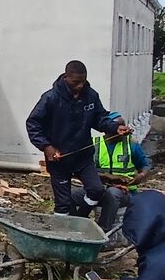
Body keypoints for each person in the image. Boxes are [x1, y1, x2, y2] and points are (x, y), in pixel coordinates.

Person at [26, 60, 130, 215]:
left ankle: (80, 219)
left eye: (83, 81)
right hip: (59, 159)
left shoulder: (91, 96)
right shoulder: (51, 98)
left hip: (83, 157)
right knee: (63, 204)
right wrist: (46, 147)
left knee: (96, 190)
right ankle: (62, 233)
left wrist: (115, 127)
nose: (80, 85)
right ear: (66, 77)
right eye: (76, 82)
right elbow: (33, 123)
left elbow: (99, 119)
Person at [70, 111, 151, 232]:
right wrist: (106, 177)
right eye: (119, 127)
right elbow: (81, 170)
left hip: (124, 193)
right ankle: (75, 226)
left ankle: (103, 231)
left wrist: (141, 175)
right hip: (97, 190)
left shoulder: (131, 145)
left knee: (112, 193)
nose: (124, 130)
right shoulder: (94, 144)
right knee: (69, 194)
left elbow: (145, 165)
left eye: (124, 126)